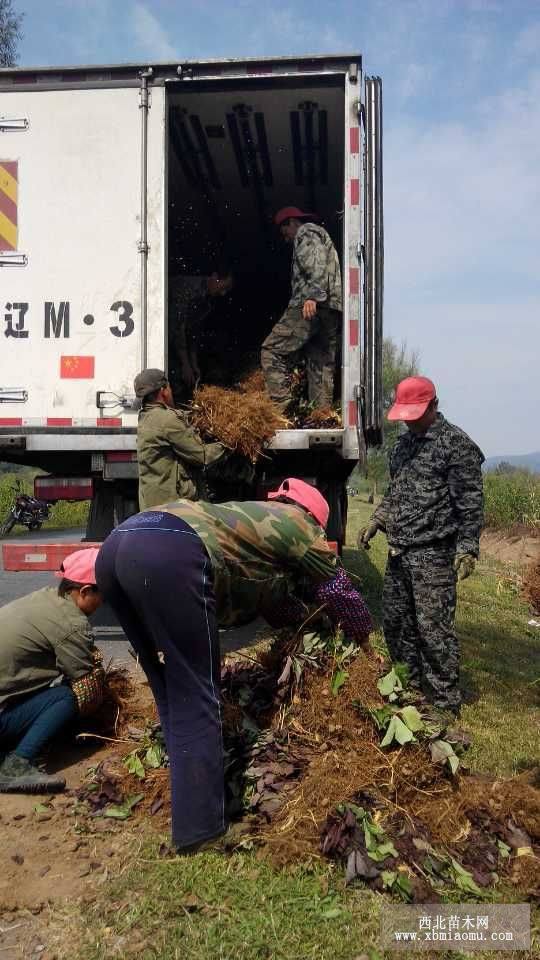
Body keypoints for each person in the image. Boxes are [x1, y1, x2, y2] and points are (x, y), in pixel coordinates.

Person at [96, 478, 372, 851]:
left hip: (118, 546)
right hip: (170, 552)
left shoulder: (248, 520)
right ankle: (201, 832)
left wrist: (303, 622)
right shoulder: (300, 525)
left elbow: (273, 604)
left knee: (169, 686)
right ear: (312, 515)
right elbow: (339, 590)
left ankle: (182, 786)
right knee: (198, 693)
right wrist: (361, 636)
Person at [358, 377, 484, 715]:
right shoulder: (402, 446)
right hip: (399, 552)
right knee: (397, 626)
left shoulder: (456, 445)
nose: (410, 421)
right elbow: (396, 492)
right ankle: (407, 690)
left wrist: (468, 547)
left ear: (434, 405)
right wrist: (376, 521)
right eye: (405, 415)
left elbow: (470, 504)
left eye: (416, 413)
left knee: (433, 631)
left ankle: (444, 704)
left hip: (434, 554)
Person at [0, 548, 103, 793]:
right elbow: (85, 681)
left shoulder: (44, 598)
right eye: (104, 595)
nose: (104, 603)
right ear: (85, 591)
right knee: (66, 697)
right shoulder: (71, 624)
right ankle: (16, 766)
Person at [261, 206, 342, 411]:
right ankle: (321, 415)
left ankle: (283, 408)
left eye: (284, 231)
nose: (286, 238)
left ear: (292, 222)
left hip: (310, 306)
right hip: (330, 310)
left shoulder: (305, 231)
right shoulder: (318, 234)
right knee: (320, 365)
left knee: (271, 350)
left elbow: (316, 263)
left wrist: (312, 297)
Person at [134, 368, 227, 510]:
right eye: (169, 387)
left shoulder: (145, 417)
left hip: (152, 504)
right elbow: (202, 456)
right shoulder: (168, 420)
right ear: (163, 390)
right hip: (173, 508)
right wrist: (228, 444)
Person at [169, 272, 234, 402]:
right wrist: (185, 365)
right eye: (223, 287)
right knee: (177, 382)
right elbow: (178, 328)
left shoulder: (207, 300)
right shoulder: (187, 287)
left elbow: (193, 333)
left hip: (180, 344)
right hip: (167, 342)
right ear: (215, 277)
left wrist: (194, 364)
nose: (223, 293)